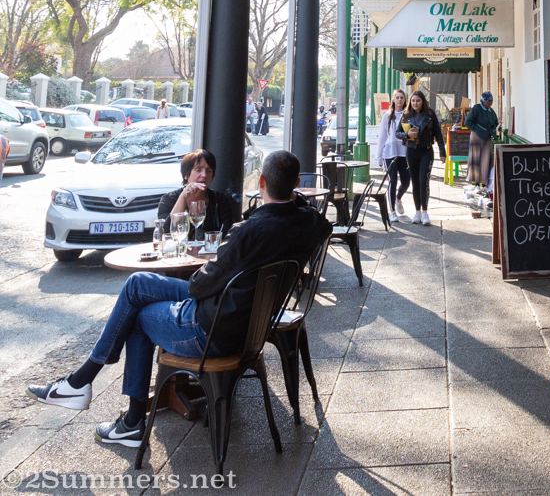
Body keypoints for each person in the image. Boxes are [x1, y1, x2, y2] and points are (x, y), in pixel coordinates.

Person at [26, 150, 332, 448]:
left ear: (261, 182)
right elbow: (318, 219)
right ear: (293, 185)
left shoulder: (246, 233)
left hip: (215, 331)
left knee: (138, 313)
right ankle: (83, 383)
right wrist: (292, 199)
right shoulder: (311, 224)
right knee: (137, 285)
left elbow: (199, 287)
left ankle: (124, 416)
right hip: (251, 323)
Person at [157, 150, 238, 237]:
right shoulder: (169, 199)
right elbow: (166, 232)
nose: (204, 175)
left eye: (209, 171)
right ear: (186, 175)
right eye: (198, 170)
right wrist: (183, 197)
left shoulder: (220, 200)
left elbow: (228, 233)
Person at [395, 90, 445, 226]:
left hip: (426, 151)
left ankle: (425, 212)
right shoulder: (406, 115)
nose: (415, 103)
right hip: (411, 152)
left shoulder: (430, 114)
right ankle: (417, 212)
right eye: (413, 101)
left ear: (423, 101)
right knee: (415, 182)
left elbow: (438, 134)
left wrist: (442, 152)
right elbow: (397, 133)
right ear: (410, 102)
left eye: (418, 100)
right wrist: (407, 135)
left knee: (424, 181)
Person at [376, 89, 410, 223]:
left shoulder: (407, 115)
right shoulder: (387, 116)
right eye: (397, 97)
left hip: (404, 152)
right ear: (394, 100)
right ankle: (392, 211)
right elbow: (382, 136)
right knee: (392, 181)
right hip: (390, 152)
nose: (400, 100)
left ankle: (398, 199)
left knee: (406, 181)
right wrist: (379, 156)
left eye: (402, 98)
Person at [464, 91, 499, 186]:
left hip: (487, 139)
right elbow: (467, 122)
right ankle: (475, 183)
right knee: (475, 160)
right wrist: (477, 129)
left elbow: (495, 122)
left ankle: (484, 183)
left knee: (485, 160)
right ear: (483, 101)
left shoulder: (491, 111)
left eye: (491, 102)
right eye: (488, 102)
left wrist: (493, 131)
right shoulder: (476, 108)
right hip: (476, 137)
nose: (489, 104)